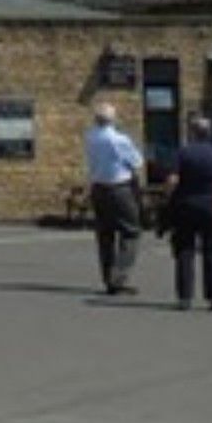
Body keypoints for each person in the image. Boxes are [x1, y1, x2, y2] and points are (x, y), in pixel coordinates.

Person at [160, 114, 212, 311]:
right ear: (209, 133)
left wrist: (167, 199)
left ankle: (185, 297)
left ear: (191, 133)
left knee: (185, 251)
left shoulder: (182, 153)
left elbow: (172, 181)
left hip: (186, 207)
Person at [82, 100, 144, 295]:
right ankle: (119, 276)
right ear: (113, 119)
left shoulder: (90, 137)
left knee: (105, 235)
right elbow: (136, 161)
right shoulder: (119, 139)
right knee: (131, 231)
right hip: (119, 187)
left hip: (98, 187)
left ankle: (108, 277)